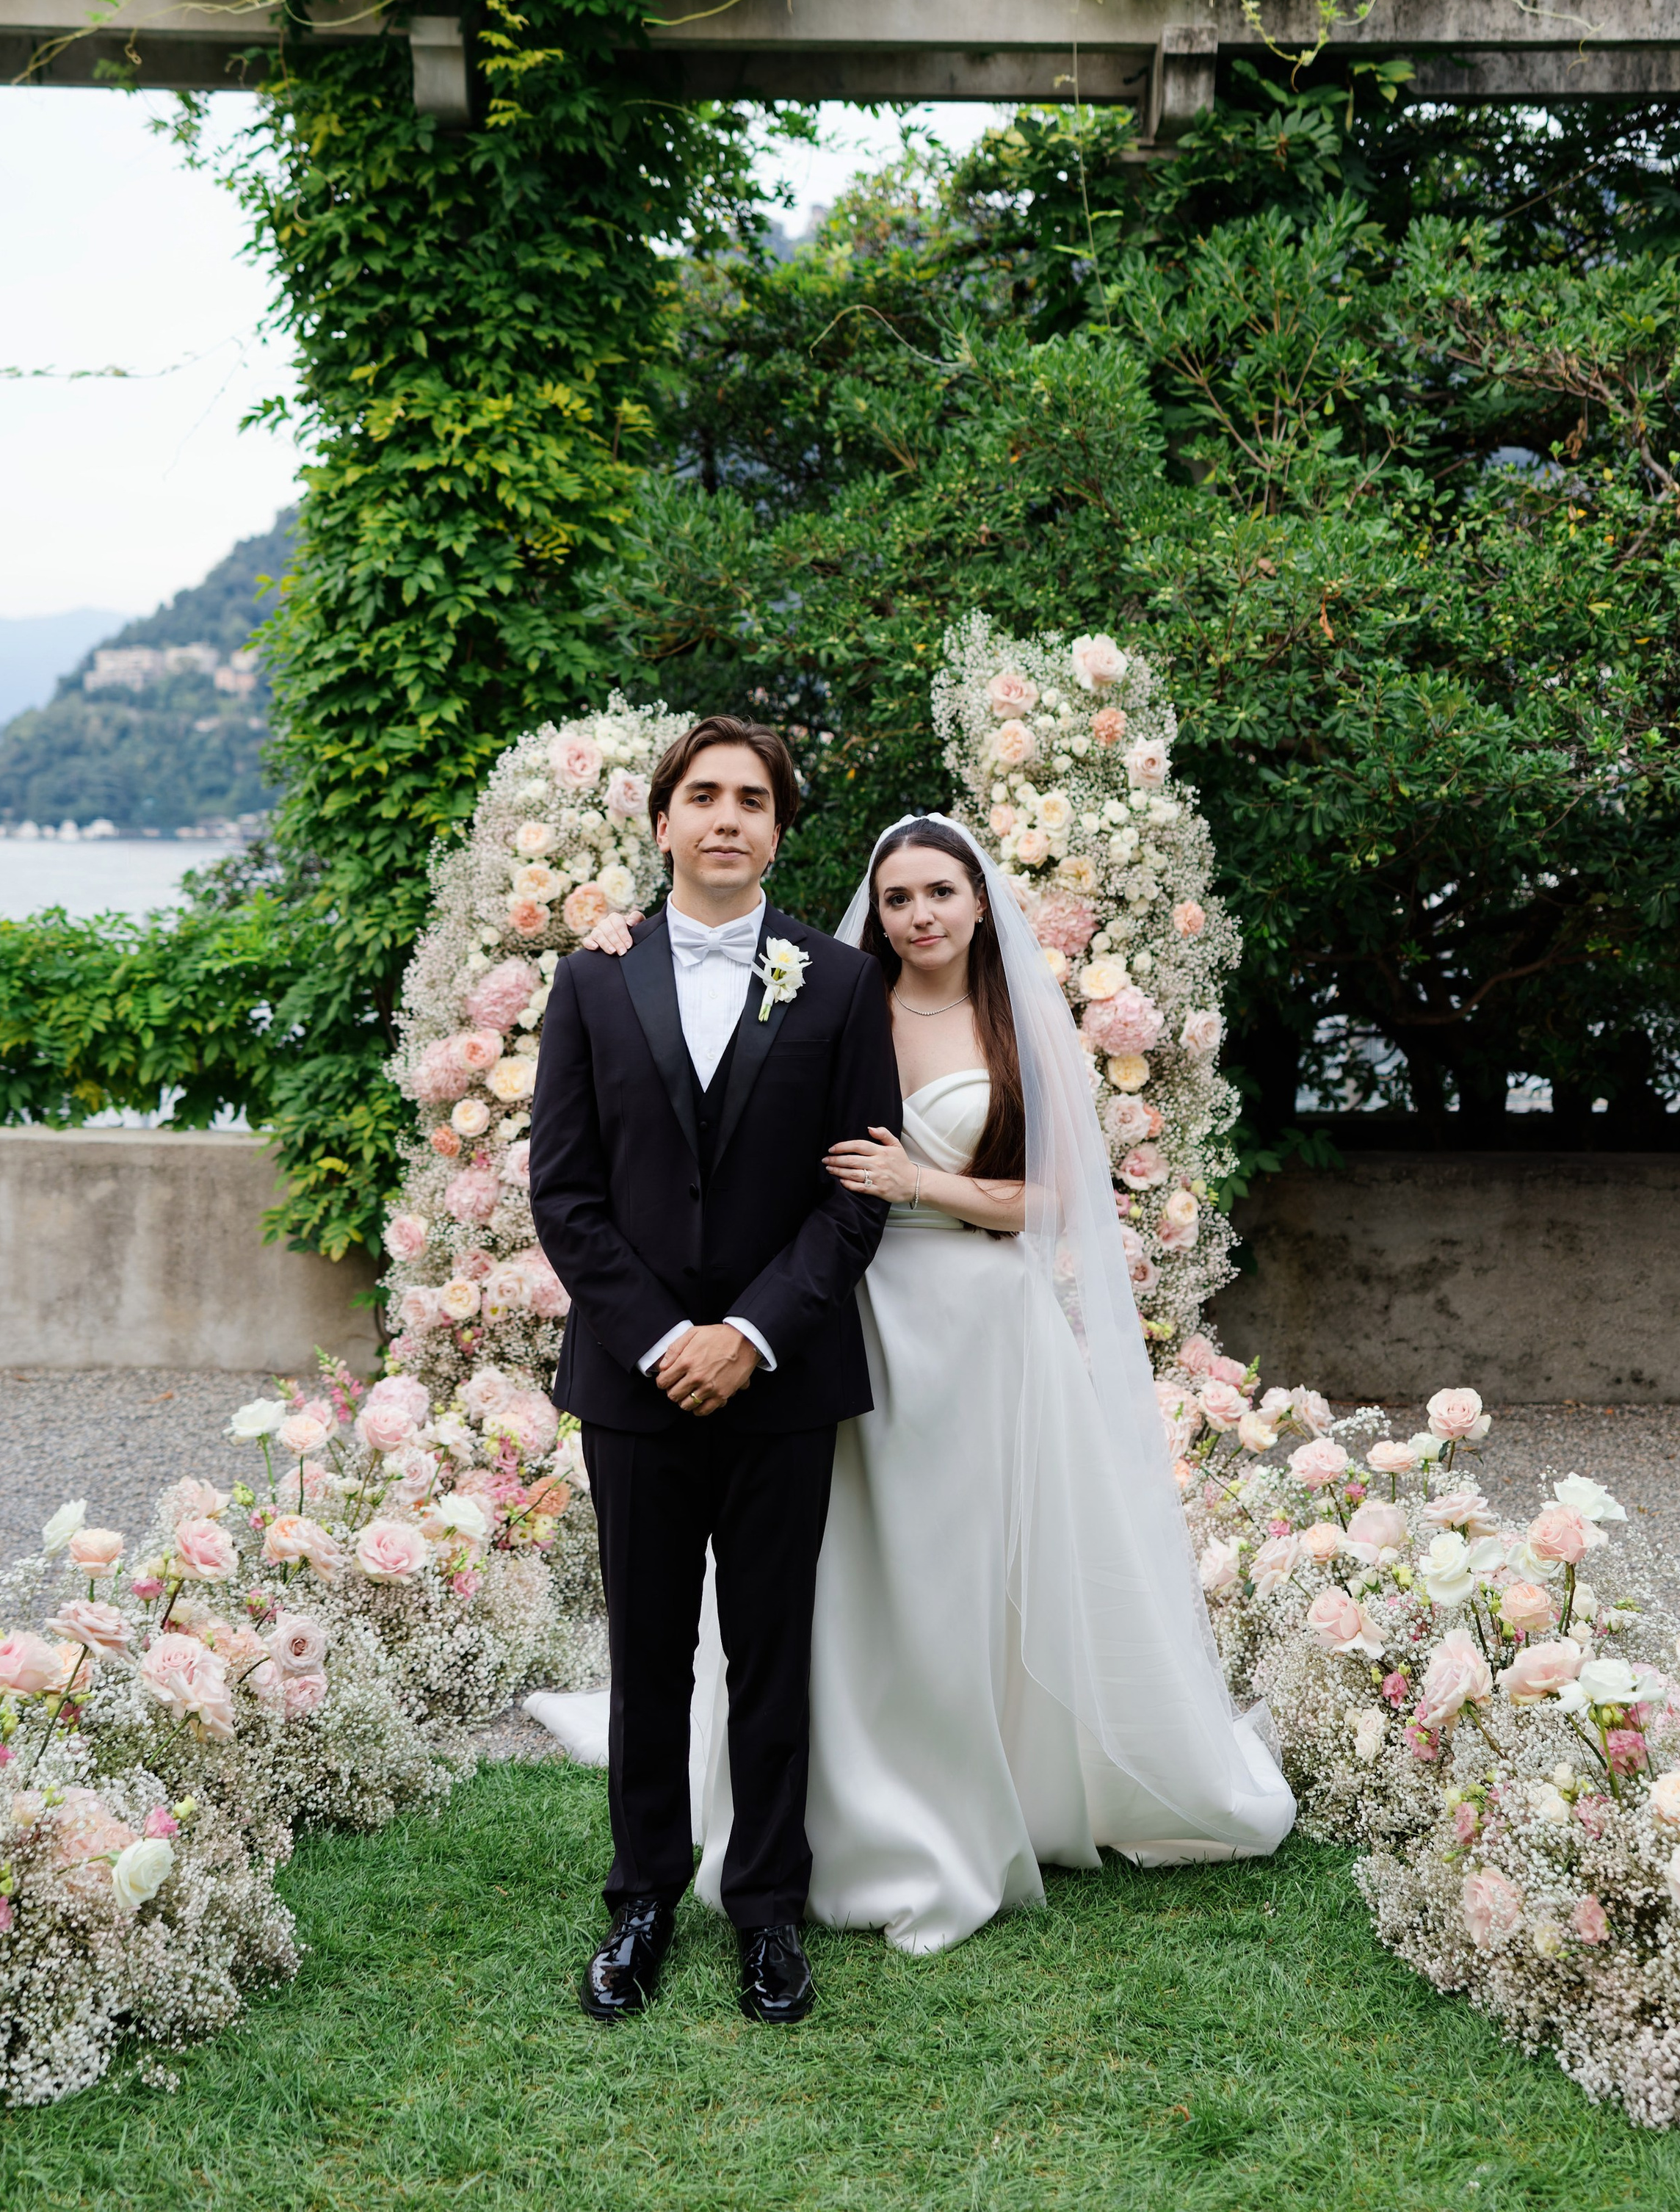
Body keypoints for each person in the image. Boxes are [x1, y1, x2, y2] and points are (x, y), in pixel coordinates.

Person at [584, 812, 1294, 1955]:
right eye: (899, 895)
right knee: (845, 1580)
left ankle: (974, 1801)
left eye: (940, 894)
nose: (919, 915)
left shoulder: (1012, 1023)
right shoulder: (832, 997)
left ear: (979, 903)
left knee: (964, 1571)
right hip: (849, 1316)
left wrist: (922, 1178)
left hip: (977, 1323)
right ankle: (831, 1817)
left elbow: (1063, 1199)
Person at [526, 718, 899, 2023]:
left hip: (781, 1378)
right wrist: (660, 1337)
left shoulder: (840, 982)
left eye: (753, 799)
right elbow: (564, 1195)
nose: (728, 817)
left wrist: (745, 1335)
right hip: (631, 1383)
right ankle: (639, 1896)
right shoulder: (590, 980)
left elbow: (857, 1196)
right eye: (705, 796)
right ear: (663, 820)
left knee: (773, 1647)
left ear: (780, 829)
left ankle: (767, 1911)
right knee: (648, 1649)